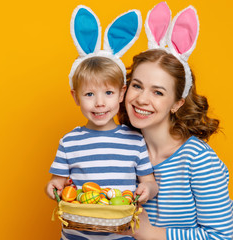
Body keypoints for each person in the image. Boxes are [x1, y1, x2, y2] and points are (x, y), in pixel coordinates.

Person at [117, 2, 233, 239]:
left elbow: (223, 236)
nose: (142, 99)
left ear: (177, 103)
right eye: (137, 86)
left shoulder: (198, 160)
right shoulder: (121, 147)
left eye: (158, 92)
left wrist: (153, 234)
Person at [46, 5, 158, 240]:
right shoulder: (69, 141)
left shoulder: (135, 140)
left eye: (108, 93)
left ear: (121, 94)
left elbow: (149, 181)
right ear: (76, 97)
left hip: (122, 233)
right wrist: (52, 188)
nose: (99, 103)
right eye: (89, 95)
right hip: (76, 233)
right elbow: (56, 183)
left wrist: (147, 189)